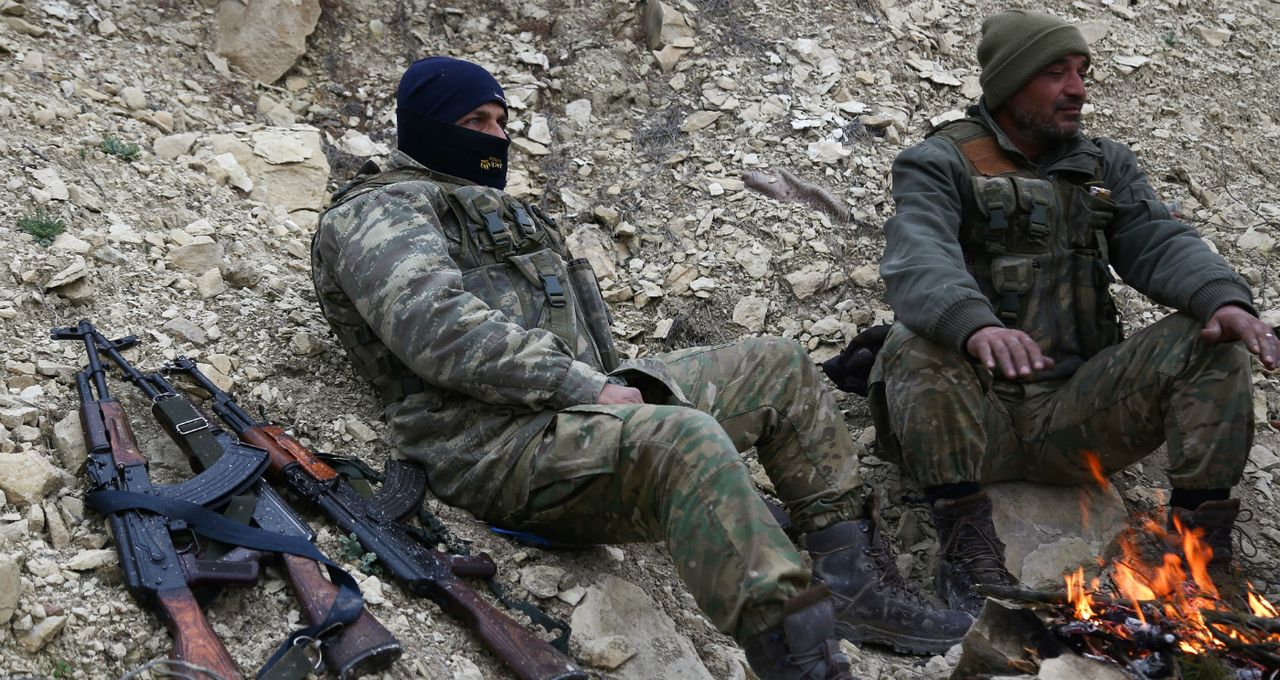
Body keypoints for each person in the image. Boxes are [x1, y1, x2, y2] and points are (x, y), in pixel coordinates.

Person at [310, 56, 970, 680]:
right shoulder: (379, 211)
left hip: (567, 416)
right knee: (685, 441)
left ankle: (856, 584)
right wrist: (588, 387)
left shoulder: (476, 203)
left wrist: (604, 388)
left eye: (501, 122)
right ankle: (803, 660)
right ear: (425, 127)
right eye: (475, 123)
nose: (496, 137)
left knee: (778, 366)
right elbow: (437, 329)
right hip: (493, 450)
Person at [866, 10, 1279, 615]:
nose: (1078, 89)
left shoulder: (1102, 165)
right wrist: (975, 324)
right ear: (1009, 85)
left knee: (1207, 339)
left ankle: (1198, 558)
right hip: (978, 422)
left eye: (1082, 72)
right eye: (1055, 72)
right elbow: (918, 256)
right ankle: (967, 548)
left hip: (1075, 418)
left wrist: (1225, 299)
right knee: (913, 341)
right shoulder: (939, 161)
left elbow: (1157, 240)